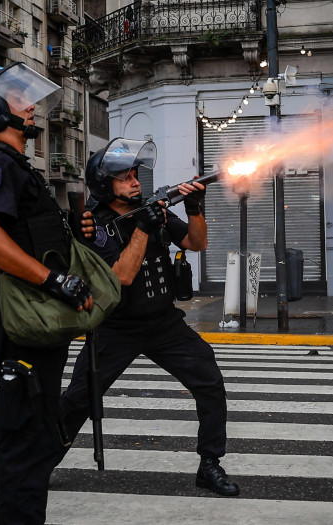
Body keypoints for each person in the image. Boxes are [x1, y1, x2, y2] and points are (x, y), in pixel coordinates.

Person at [0, 62, 94, 525]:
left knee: (10, 431)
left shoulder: (13, 164)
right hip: (21, 323)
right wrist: (55, 281)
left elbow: (25, 236)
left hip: (26, 321)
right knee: (30, 440)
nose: (31, 106)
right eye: (19, 99)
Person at [59, 137, 240, 497]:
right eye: (124, 177)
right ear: (104, 185)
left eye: (135, 175)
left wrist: (194, 207)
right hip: (116, 327)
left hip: (163, 322)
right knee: (80, 397)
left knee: (208, 379)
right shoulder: (93, 224)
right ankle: (39, 461)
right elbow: (121, 276)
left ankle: (209, 464)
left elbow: (195, 243)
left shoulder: (151, 208)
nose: (135, 181)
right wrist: (142, 228)